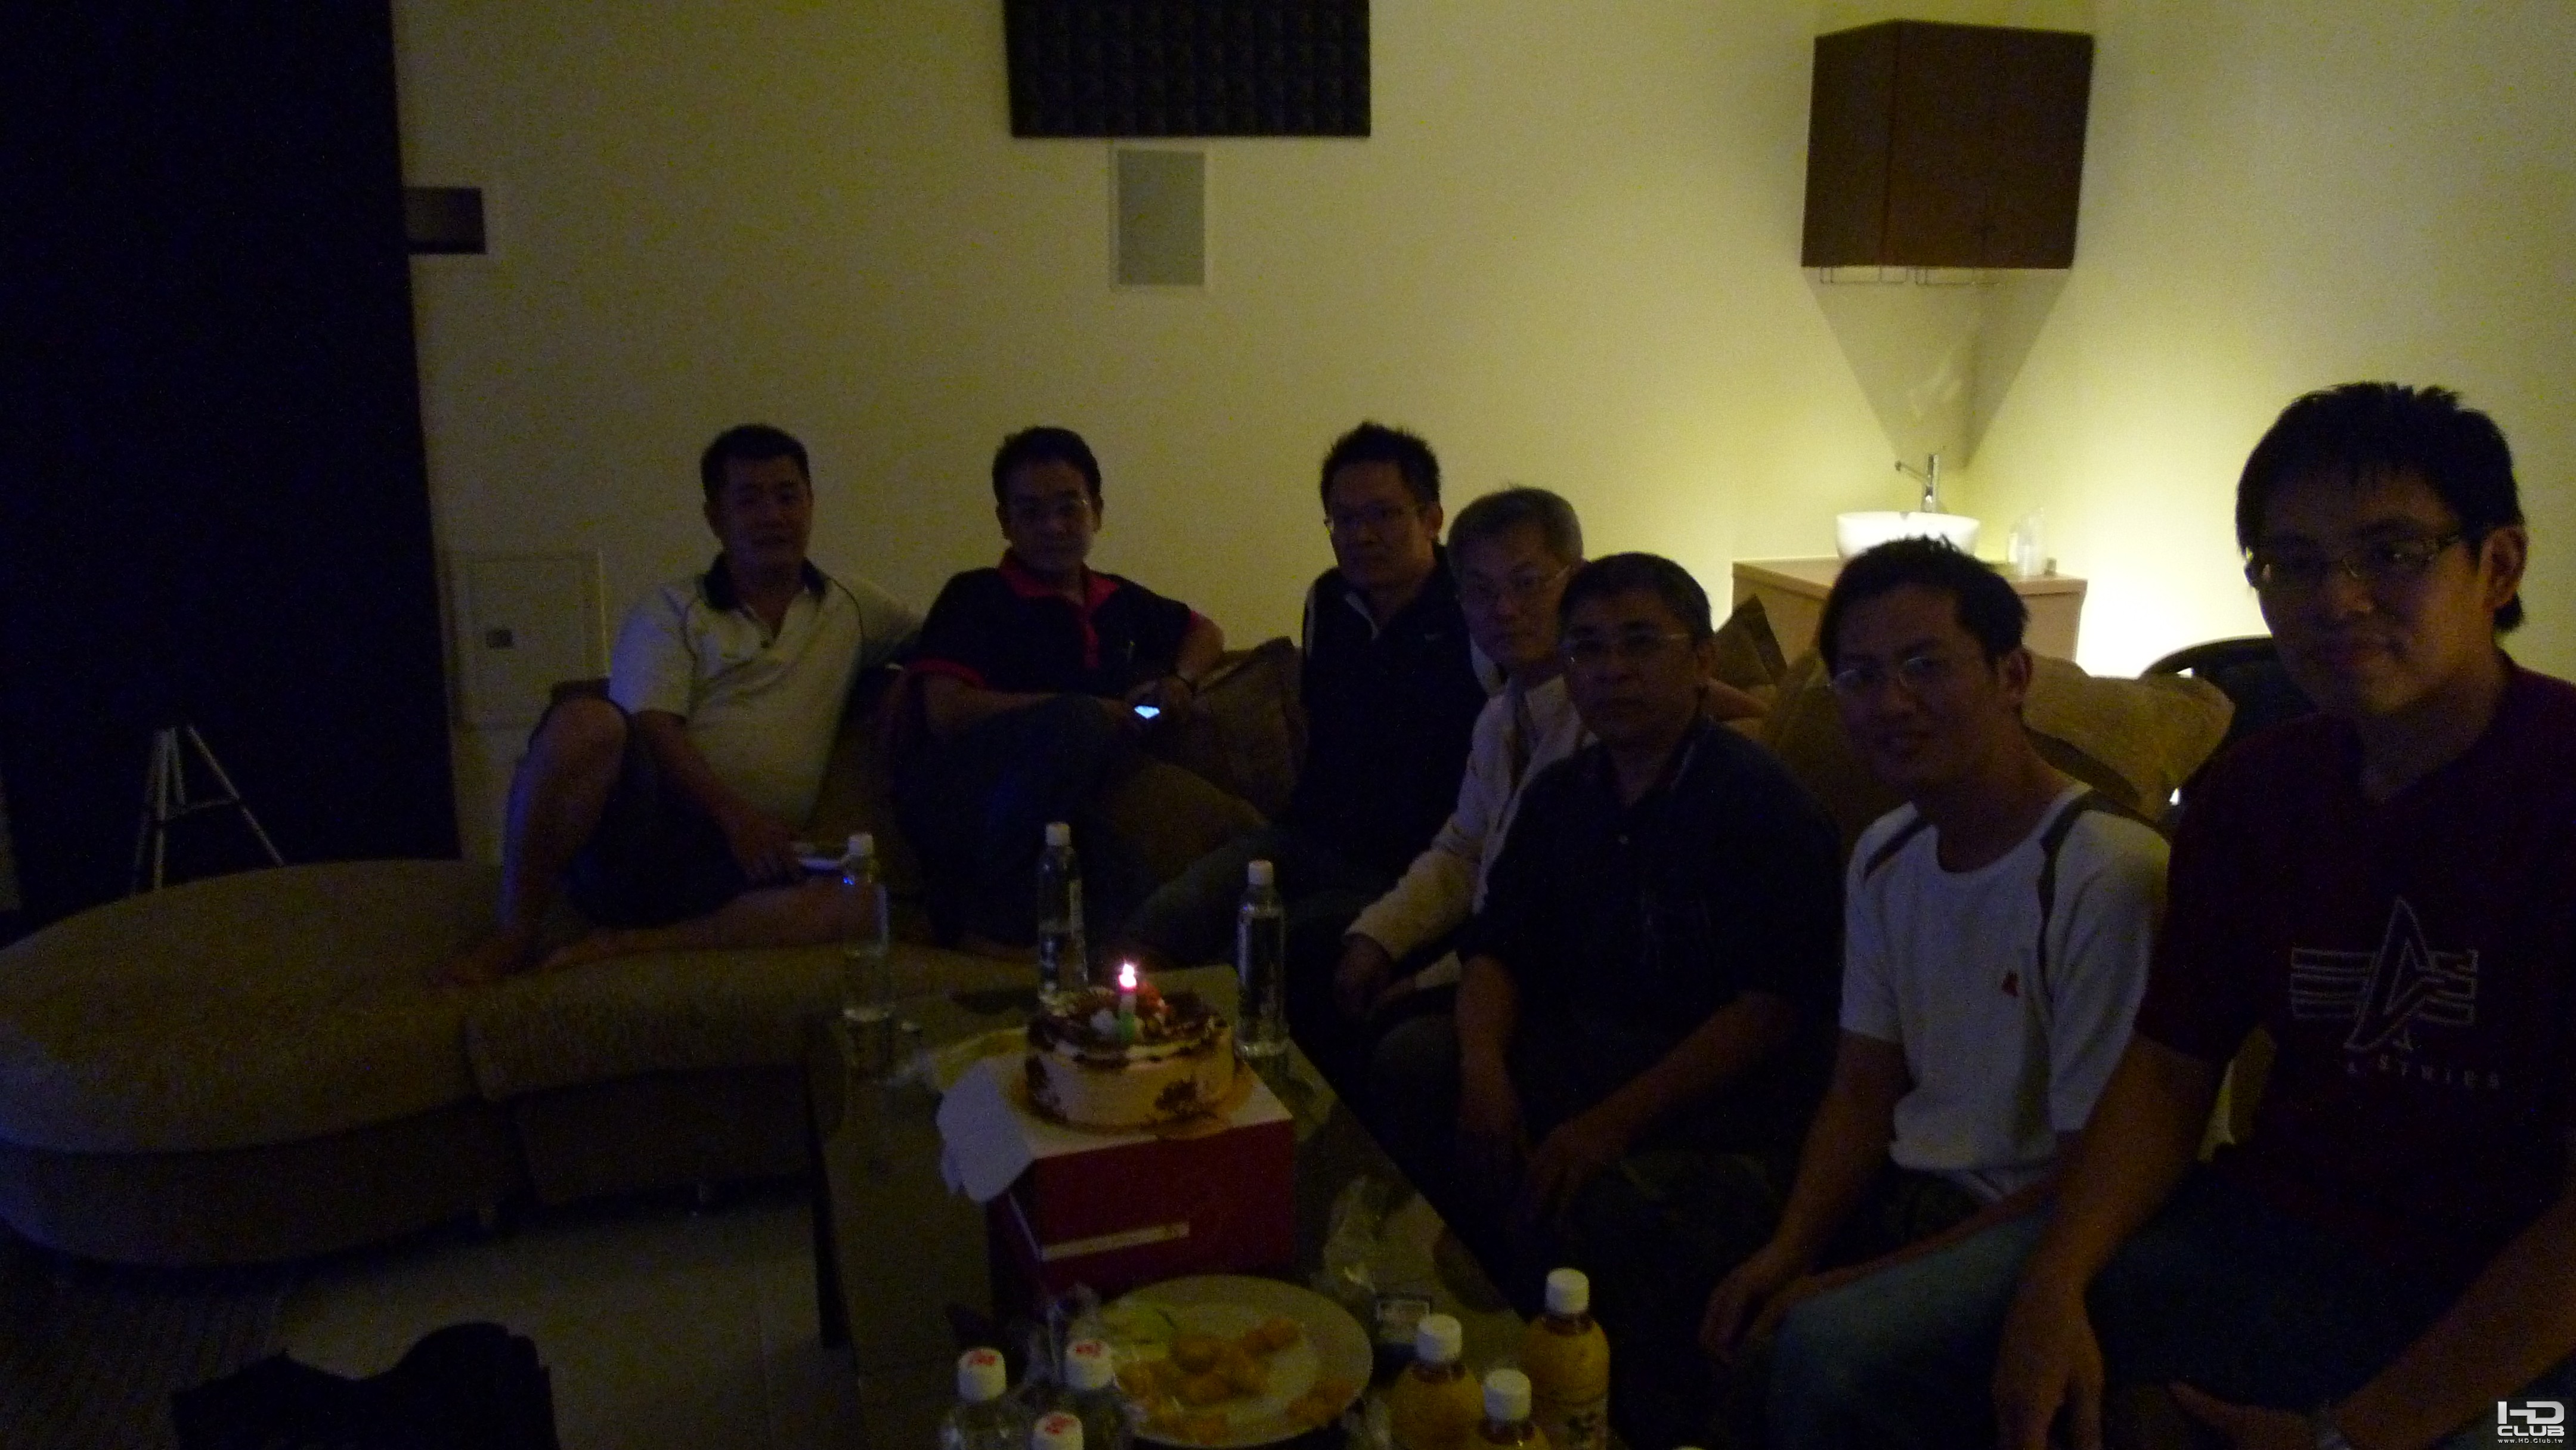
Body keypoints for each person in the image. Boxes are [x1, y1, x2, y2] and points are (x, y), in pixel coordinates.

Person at [1980, 382, 2576, 1450]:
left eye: (2391, 553)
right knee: (1870, 1357)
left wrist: (2357, 1437)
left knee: (2517, 1440)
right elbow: (2172, 1066)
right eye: (2292, 563)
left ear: (2498, 566)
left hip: (2522, 1313)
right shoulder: (2256, 791)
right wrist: (2056, 1277)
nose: (2336, 599)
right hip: (2280, 1239)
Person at [1693, 538, 2167, 1447]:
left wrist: (1853, 1284)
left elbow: (2093, 1172)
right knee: (1694, 1255)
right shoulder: (1886, 852)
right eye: (1861, 676)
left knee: (1818, 1347)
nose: (1890, 703)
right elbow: (1861, 1091)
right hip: (1915, 1187)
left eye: (1925, 666)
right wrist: (1791, 1249)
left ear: (2013, 674)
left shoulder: (2105, 874)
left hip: (2041, 1223)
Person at [1383, 552, 1844, 1448]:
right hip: (1581, 1049)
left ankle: (1601, 1408)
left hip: (1717, 1097)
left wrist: (1609, 1124)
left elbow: (1770, 1011)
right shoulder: (1564, 793)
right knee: (1417, 1062)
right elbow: (1499, 946)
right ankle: (1465, 1340)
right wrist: (1483, 1067)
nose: (1611, 670)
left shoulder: (1763, 806)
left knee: (1605, 1200)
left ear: (1702, 660)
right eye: (1587, 648)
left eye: (1640, 643)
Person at [443, 424, 920, 983]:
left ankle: (635, 946)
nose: (772, 515)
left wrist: (915, 675)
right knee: (586, 722)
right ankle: (514, 934)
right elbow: (651, 725)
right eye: (749, 499)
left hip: (752, 857)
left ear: (811, 504)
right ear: (715, 518)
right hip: (650, 828)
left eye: (787, 496)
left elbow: (948, 643)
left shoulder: (854, 605)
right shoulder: (672, 610)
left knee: (862, 906)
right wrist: (734, 817)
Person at [1118, 423, 1492, 1061]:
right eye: (1344, 519)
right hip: (1305, 835)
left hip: (1407, 865)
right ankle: (1109, 1062)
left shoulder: (1477, 611)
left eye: (1383, 515)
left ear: (1432, 518)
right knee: (1163, 919)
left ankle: (1219, 1086)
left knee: (1256, 955)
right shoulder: (1328, 599)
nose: (1361, 535)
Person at [894, 426, 1224, 951]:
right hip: (976, 793)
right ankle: (986, 914)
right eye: (1031, 512)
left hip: (1068, 811)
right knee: (1077, 721)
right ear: (1005, 522)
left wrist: (1179, 682)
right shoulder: (976, 595)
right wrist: (1085, 710)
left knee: (1147, 916)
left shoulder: (1117, 599)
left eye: (1069, 508)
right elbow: (946, 712)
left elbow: (1204, 631)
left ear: (1097, 511)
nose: (1053, 526)